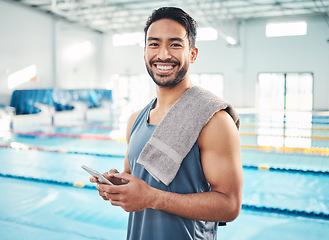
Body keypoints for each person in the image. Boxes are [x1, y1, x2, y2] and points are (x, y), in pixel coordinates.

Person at [90, 7, 243, 240]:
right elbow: (136, 182)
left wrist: (153, 198)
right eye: (154, 44)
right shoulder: (135, 120)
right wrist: (115, 186)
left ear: (192, 54)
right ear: (144, 53)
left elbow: (230, 206)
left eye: (175, 44)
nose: (163, 54)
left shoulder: (215, 121)